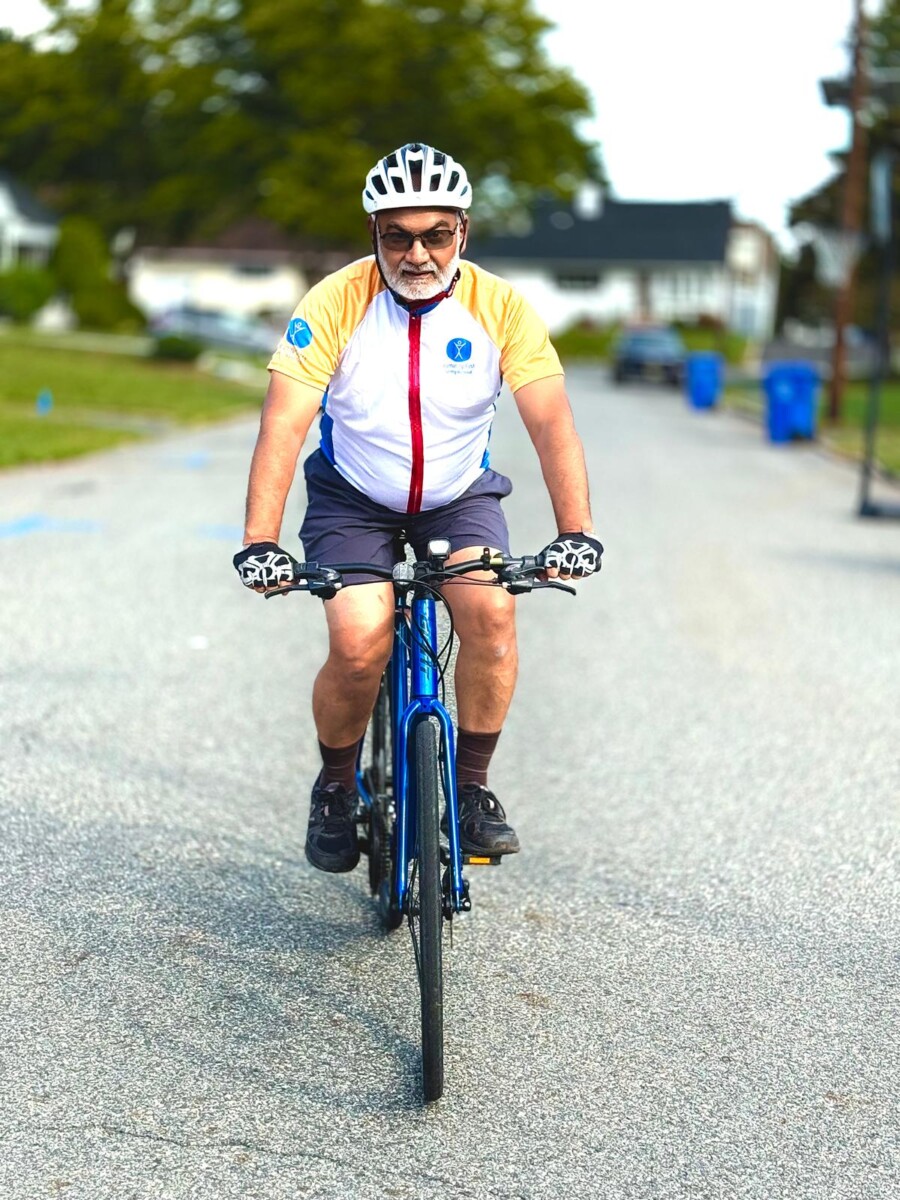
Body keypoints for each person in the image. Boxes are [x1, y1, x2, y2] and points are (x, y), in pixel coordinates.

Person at [233, 142, 602, 874]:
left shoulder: (499, 307)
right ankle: (336, 789)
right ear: (373, 234)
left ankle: (470, 790)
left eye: (435, 234)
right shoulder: (336, 301)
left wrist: (576, 531)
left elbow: (551, 420)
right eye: (397, 235)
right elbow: (285, 420)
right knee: (359, 639)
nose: (417, 253)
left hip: (458, 496)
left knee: (491, 612)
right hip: (353, 497)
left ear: (462, 232)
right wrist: (259, 539)